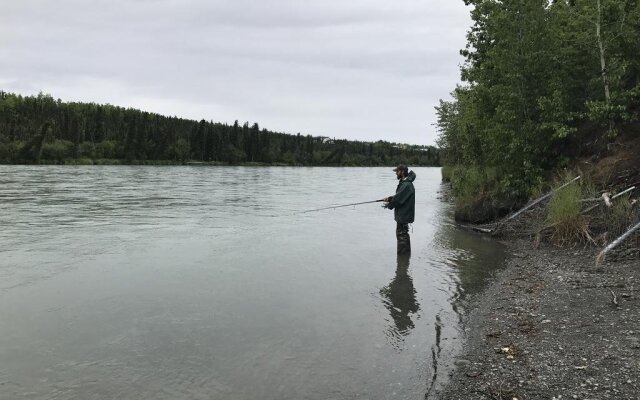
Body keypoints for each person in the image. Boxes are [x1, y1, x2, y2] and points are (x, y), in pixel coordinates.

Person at [383, 165, 416, 255]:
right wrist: (390, 198)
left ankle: (402, 260)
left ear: (402, 172)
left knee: (402, 236)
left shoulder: (406, 185)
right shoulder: (405, 183)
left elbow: (398, 199)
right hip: (403, 215)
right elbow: (399, 196)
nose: (396, 174)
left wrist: (389, 204)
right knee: (403, 235)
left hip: (403, 216)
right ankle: (405, 260)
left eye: (397, 172)